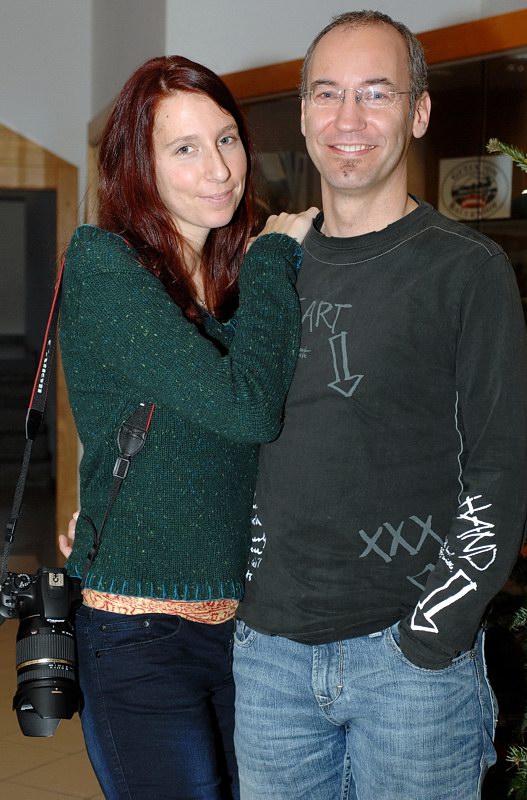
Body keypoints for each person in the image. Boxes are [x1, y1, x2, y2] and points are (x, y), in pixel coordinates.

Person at [232, 10, 527, 800]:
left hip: (409, 671)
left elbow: (501, 472)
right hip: (266, 660)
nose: (348, 119)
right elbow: (226, 427)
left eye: (375, 93)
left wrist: (430, 638)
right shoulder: (268, 266)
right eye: (326, 93)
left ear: (418, 111)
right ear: (303, 113)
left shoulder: (465, 272)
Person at [58, 54, 316, 800]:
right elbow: (247, 409)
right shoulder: (104, 265)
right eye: (184, 148)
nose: (219, 168)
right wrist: (275, 255)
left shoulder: (226, 288)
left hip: (247, 630)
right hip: (141, 634)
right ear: (137, 167)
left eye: (226, 138)